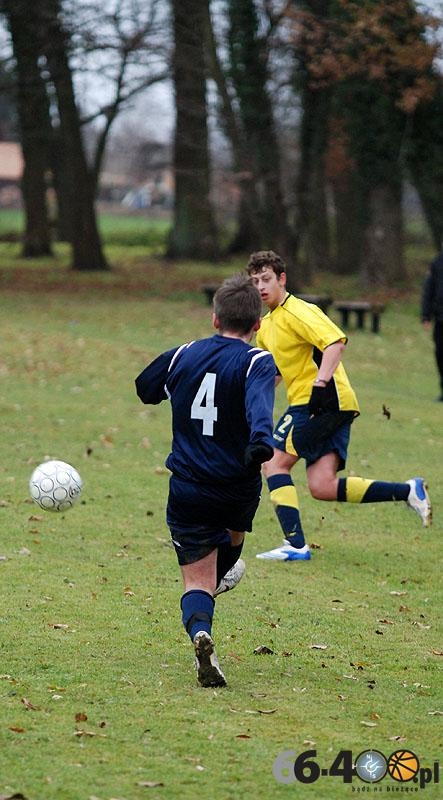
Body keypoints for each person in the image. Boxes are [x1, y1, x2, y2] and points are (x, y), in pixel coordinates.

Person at [245, 250, 432, 562]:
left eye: (266, 279)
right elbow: (275, 373)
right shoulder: (265, 325)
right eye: (255, 282)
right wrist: (249, 402)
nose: (261, 287)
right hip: (327, 405)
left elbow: (335, 342)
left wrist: (320, 384)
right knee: (322, 485)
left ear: (282, 279)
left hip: (321, 403)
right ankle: (409, 491)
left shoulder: (299, 311)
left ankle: (295, 545)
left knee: (274, 463)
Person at [135, 274, 275, 687]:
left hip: (189, 488)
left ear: (215, 319)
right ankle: (215, 588)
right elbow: (259, 409)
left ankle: (200, 630)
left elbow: (145, 387)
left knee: (196, 580)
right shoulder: (257, 361)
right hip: (237, 489)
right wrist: (260, 443)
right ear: (258, 324)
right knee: (229, 555)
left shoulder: (184, 354)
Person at [421, 250, 443, 402]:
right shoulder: (438, 262)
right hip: (441, 318)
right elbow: (429, 288)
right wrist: (426, 314)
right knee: (441, 354)